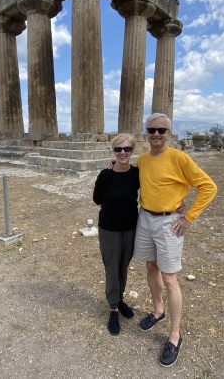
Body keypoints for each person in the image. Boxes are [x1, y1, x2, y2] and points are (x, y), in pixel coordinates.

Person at [133, 113, 217, 368]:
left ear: (168, 133)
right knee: (150, 267)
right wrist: (112, 166)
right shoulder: (142, 160)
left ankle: (174, 335)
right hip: (145, 218)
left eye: (161, 130)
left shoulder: (179, 158)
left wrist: (189, 217)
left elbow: (208, 186)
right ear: (146, 133)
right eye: (151, 130)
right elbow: (138, 183)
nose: (156, 134)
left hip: (170, 222)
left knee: (170, 278)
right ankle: (158, 311)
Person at [93, 134, 139, 335]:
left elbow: (157, 187)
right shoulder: (105, 175)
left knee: (123, 265)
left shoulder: (137, 173)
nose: (122, 153)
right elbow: (97, 200)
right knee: (111, 267)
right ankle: (113, 308)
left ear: (132, 151)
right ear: (113, 151)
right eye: (118, 149)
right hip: (109, 227)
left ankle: (119, 299)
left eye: (127, 149)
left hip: (130, 227)